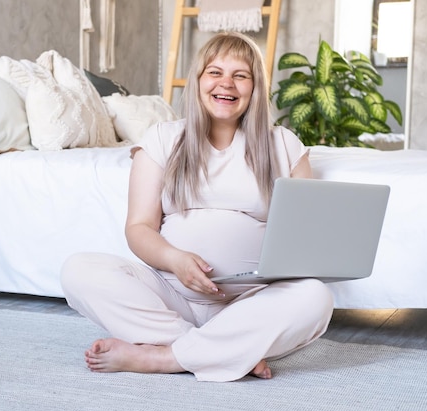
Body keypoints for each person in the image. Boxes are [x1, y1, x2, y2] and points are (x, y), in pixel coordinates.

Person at [60, 32, 334, 382]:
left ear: (255, 87)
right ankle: (224, 350)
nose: (227, 84)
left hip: (249, 304)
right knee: (78, 270)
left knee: (316, 297)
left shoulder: (285, 145)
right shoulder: (163, 138)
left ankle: (163, 358)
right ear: (199, 80)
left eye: (241, 75)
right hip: (172, 295)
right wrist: (175, 259)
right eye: (215, 72)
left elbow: (301, 243)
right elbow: (139, 228)